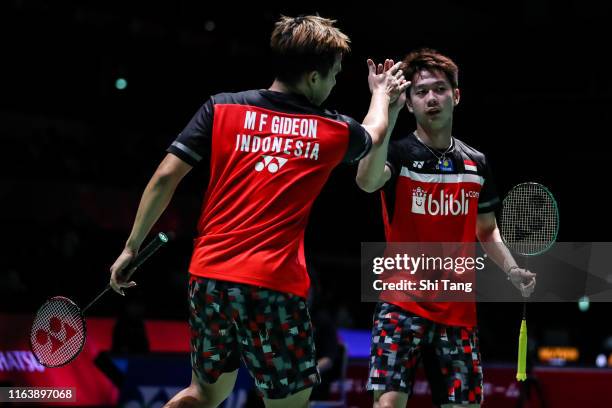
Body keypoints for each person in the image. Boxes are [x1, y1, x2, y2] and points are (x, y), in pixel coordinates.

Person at [109, 15, 408, 408]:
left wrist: (131, 248)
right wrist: (381, 94)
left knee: (203, 393)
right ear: (314, 77)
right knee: (289, 401)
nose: (335, 83)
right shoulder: (329, 128)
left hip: (208, 277)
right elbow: (375, 133)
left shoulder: (222, 109)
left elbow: (165, 176)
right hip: (273, 285)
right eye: (335, 74)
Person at [356, 49, 536, 407]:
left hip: (457, 308)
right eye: (421, 92)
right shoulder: (398, 154)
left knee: (464, 404)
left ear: (456, 96)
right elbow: (367, 180)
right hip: (401, 302)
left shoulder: (476, 164)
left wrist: (511, 268)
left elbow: (486, 230)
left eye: (439, 89)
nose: (431, 98)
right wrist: (386, 114)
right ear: (409, 103)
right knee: (388, 402)